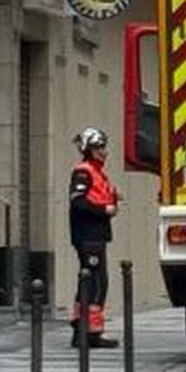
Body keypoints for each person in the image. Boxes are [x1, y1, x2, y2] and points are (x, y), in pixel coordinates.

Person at [68, 126, 120, 348]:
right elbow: (78, 202)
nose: (104, 152)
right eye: (99, 147)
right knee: (97, 283)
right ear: (89, 149)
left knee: (88, 281)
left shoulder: (96, 172)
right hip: (89, 236)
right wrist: (105, 210)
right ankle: (90, 333)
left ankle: (81, 330)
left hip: (95, 235)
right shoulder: (84, 172)